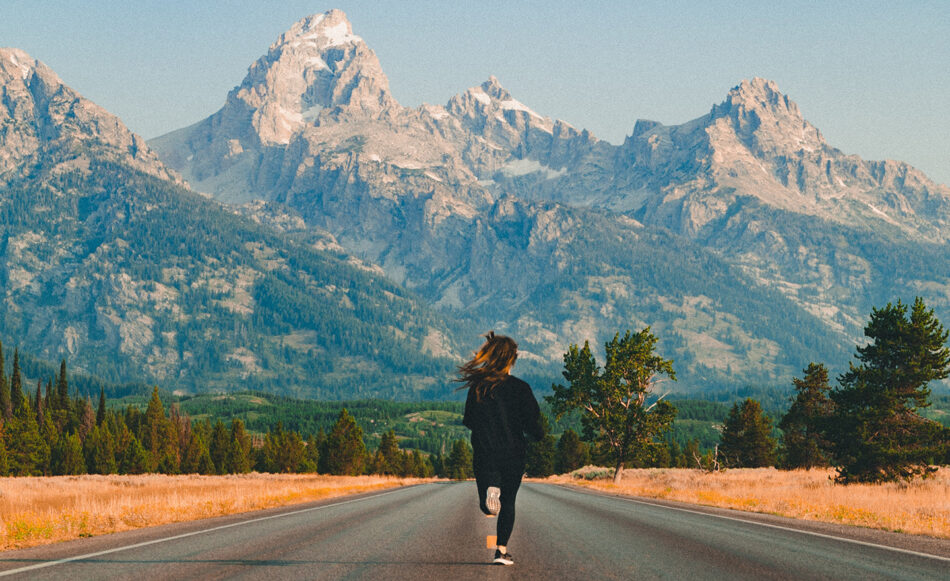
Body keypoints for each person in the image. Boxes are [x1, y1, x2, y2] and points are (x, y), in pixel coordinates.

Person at [457, 331, 543, 566]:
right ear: (512, 359)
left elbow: (469, 420)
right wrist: (539, 436)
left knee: (488, 493)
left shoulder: (478, 387)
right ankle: (501, 551)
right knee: (509, 501)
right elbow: (532, 422)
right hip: (513, 452)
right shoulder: (521, 388)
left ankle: (488, 494)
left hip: (485, 450)